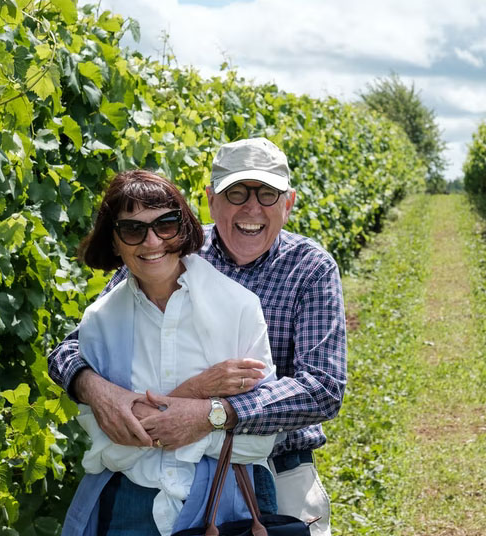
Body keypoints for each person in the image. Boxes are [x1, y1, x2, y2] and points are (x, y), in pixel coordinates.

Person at [51, 138, 347, 536]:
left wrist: (214, 412)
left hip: (278, 466)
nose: (252, 209)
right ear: (211, 200)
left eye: (268, 194)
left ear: (288, 203)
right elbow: (75, 345)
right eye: (236, 193)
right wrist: (96, 389)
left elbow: (322, 388)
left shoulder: (309, 268)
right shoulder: (168, 247)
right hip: (167, 470)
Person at [61, 169, 278, 536]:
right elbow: (108, 447)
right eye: (133, 229)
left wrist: (156, 420)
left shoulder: (239, 307)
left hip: (224, 505)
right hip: (131, 509)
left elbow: (258, 441)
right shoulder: (100, 321)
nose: (151, 241)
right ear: (114, 242)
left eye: (166, 224)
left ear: (184, 228)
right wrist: (197, 393)